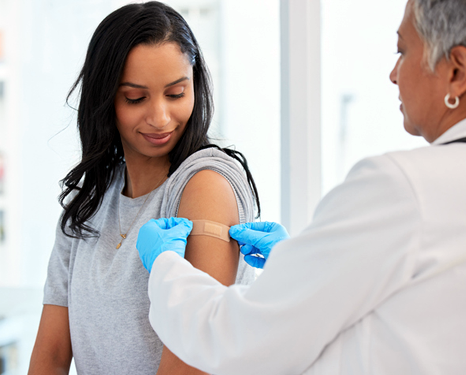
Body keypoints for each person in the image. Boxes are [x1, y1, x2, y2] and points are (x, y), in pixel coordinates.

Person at [136, 0, 466, 373]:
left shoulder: (405, 188)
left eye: (402, 51)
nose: (393, 74)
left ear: (456, 71)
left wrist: (166, 267)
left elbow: (240, 340)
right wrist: (297, 265)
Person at [28, 2, 260, 374]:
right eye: (136, 98)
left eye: (176, 93)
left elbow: (193, 359)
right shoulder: (86, 204)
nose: (161, 118)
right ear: (105, 99)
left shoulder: (205, 184)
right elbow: (51, 356)